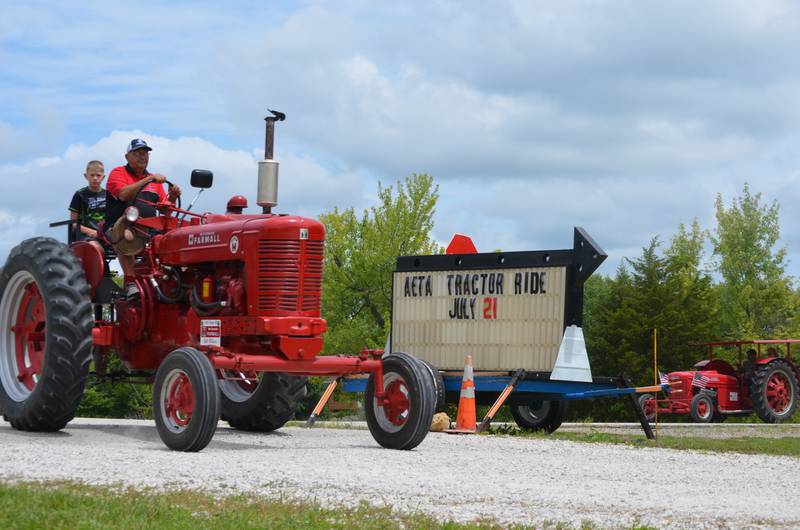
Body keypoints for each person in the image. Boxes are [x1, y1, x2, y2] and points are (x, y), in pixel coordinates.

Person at [105, 139, 181, 297]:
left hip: (148, 229)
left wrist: (172, 197)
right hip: (119, 225)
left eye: (145, 153)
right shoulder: (118, 173)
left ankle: (170, 281)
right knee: (127, 236)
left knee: (175, 239)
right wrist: (146, 180)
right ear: (127, 157)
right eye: (138, 153)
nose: (143, 157)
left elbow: (165, 209)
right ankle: (130, 282)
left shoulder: (155, 181)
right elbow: (123, 194)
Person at [69, 160, 106, 253]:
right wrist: (91, 232)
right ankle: (104, 267)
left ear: (103, 177)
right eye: (92, 175)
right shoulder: (80, 194)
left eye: (98, 175)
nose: (95, 178)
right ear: (86, 176)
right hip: (86, 235)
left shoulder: (108, 194)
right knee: (97, 249)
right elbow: (73, 223)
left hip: (105, 234)